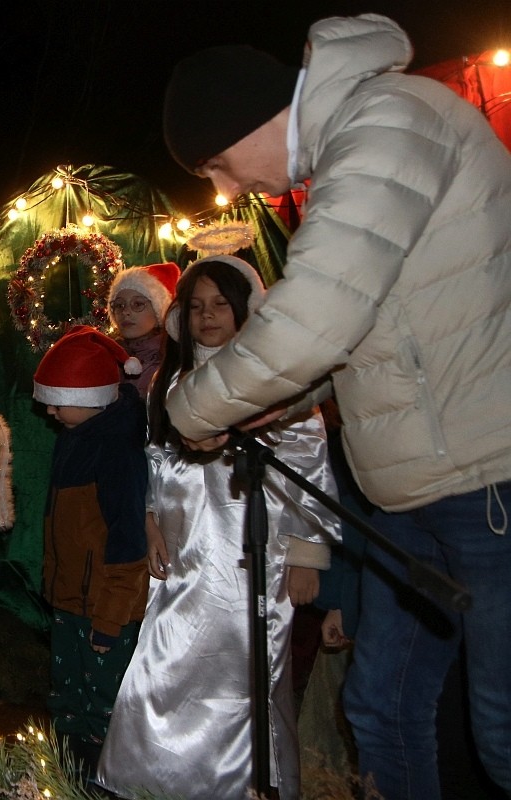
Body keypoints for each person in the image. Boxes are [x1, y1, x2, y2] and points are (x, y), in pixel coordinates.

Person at [159, 15, 511, 800]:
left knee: (502, 725)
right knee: (379, 706)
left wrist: (188, 411)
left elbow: (317, 315)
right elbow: (381, 324)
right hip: (414, 490)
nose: (223, 188)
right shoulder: (355, 144)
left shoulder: (389, 123)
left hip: (489, 477)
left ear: (253, 117)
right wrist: (287, 400)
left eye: (218, 161)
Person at [96, 255, 341, 800]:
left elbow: (309, 463)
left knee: (243, 678)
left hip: (252, 554)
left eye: (220, 304)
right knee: (163, 667)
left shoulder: (277, 377)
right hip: (185, 554)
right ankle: (158, 782)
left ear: (245, 308)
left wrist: (306, 551)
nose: (208, 316)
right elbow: (157, 456)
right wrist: (151, 518)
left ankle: (244, 786)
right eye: (197, 305)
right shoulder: (173, 378)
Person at [30, 325, 149, 778]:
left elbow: (128, 541)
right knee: (66, 697)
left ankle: (106, 780)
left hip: (104, 608)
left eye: (58, 398)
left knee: (105, 703)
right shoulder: (71, 440)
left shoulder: (118, 451)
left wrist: (111, 615)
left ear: (94, 395)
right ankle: (68, 778)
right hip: (69, 601)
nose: (50, 408)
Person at [107, 261, 180, 399]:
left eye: (138, 304)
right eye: (119, 305)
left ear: (159, 310)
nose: (126, 312)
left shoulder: (171, 361)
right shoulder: (110, 356)